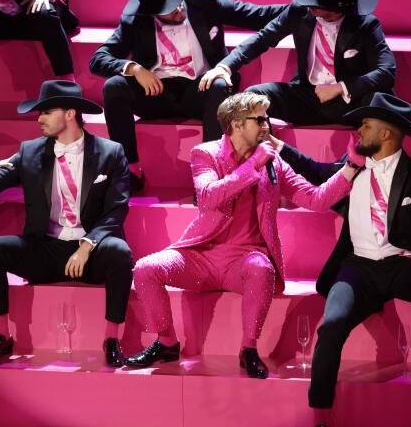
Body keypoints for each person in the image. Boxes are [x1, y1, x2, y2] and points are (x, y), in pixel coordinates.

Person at [124, 92, 355, 378]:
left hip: (244, 259)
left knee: (261, 268)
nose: (267, 126)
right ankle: (167, 342)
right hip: (202, 255)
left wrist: (350, 168)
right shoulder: (206, 154)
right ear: (236, 124)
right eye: (259, 120)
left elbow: (315, 198)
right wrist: (252, 165)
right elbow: (208, 196)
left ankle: (248, 349)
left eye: (267, 119)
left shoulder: (273, 163)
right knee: (145, 269)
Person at [272, 93, 411, 427]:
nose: (359, 131)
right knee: (331, 326)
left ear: (385, 133)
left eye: (366, 125)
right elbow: (314, 172)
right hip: (358, 267)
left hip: (404, 264)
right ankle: (321, 416)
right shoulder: (351, 169)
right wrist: (280, 147)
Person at [0, 80, 133, 366]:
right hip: (46, 248)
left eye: (46, 112)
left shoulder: (111, 153)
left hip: (91, 251)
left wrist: (87, 245)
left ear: (70, 113)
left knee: (120, 253)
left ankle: (112, 339)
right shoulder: (31, 152)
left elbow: (116, 209)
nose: (39, 119)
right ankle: (0, 335)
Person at [89, 0, 286, 191]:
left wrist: (300, 8)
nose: (179, 10)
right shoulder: (135, 20)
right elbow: (98, 59)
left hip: (199, 90)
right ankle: (129, 170)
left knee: (219, 86)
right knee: (114, 87)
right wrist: (134, 68)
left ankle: (208, 175)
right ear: (154, 13)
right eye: (170, 11)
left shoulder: (205, 2)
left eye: (178, 2)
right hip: (157, 93)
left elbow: (257, 15)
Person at [217, 0, 395, 126]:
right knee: (252, 98)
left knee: (379, 103)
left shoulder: (366, 25)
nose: (309, 6)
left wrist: (340, 88)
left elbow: (387, 71)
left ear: (337, 9)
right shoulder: (301, 11)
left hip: (349, 101)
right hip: (307, 97)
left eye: (317, 5)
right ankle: (267, 149)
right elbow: (264, 37)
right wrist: (226, 66)